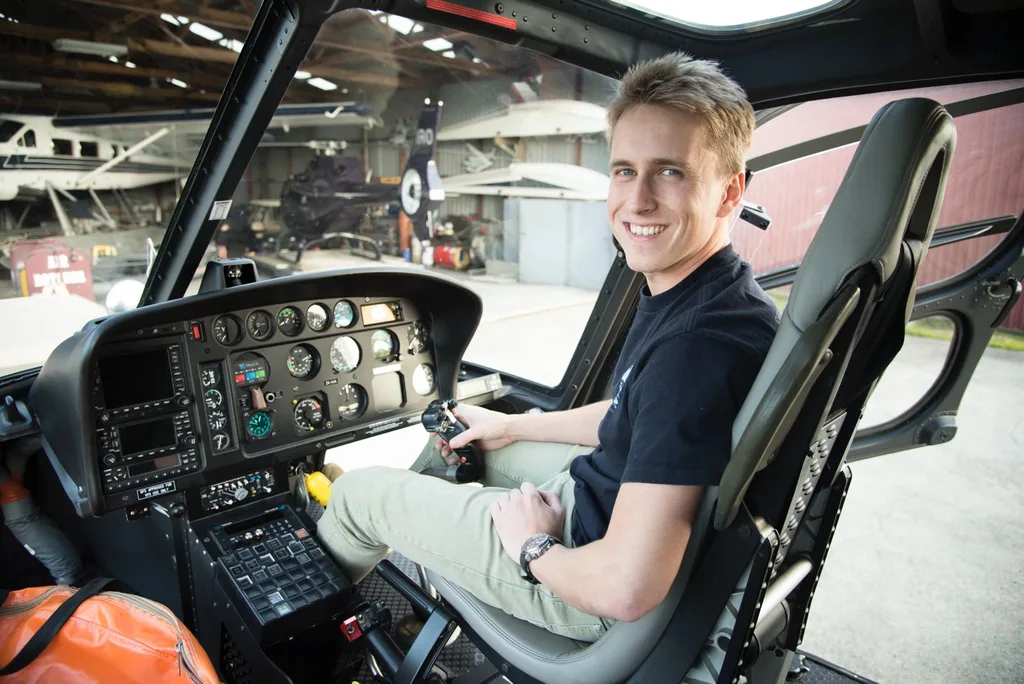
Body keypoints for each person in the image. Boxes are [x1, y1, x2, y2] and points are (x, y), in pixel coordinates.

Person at [317, 51, 780, 642]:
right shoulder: (714, 296)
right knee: (458, 442)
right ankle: (423, 585)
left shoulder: (694, 348)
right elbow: (634, 418)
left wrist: (532, 547)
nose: (636, 201)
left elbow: (624, 586)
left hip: (586, 572)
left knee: (359, 494)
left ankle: (309, 648)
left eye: (670, 171)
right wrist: (513, 427)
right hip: (596, 499)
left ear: (728, 191)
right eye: (623, 170)